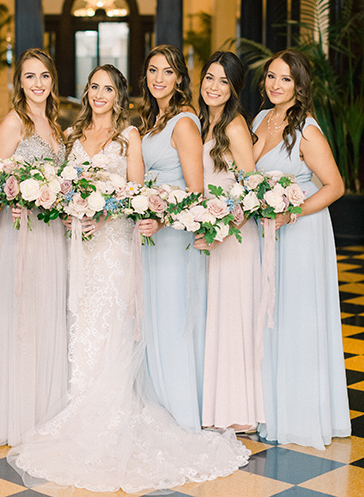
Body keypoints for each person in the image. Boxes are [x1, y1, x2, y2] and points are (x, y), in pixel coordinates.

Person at [8, 64, 250, 492]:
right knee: (81, 322)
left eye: (108, 88)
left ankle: (111, 410)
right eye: (93, 87)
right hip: (79, 251)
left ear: (120, 95)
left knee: (113, 325)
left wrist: (103, 213)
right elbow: (65, 192)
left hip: (115, 248)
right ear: (86, 92)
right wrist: (71, 217)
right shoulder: (70, 137)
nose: (100, 94)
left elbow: (135, 193)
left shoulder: (130, 136)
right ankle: (80, 400)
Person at [253, 48, 351, 449]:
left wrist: (290, 213)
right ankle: (269, 409)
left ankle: (301, 414)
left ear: (299, 86)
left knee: (296, 316)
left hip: (301, 234)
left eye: (285, 79)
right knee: (270, 316)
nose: (276, 85)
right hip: (266, 234)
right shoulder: (260, 119)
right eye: (272, 77)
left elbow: (335, 186)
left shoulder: (306, 128)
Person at [0, 48, 68, 447]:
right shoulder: (14, 123)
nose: (37, 84)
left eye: (44, 76)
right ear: (19, 83)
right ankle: (19, 415)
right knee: (23, 317)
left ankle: (46, 410)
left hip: (51, 235)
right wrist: (21, 194)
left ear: (53, 81)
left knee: (48, 315)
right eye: (29, 77)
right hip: (21, 233)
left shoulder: (54, 124)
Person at [195, 51, 264, 433]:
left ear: (234, 88)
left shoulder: (235, 126)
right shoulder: (204, 123)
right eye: (209, 78)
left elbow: (250, 189)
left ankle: (237, 412)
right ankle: (214, 406)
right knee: (214, 318)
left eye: (223, 81)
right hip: (208, 232)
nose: (213, 87)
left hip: (233, 236)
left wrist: (222, 227)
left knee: (232, 317)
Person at [138, 44, 206, 433]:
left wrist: (161, 221)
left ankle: (181, 413)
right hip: (151, 233)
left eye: (167, 71)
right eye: (152, 70)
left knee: (173, 318)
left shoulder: (183, 122)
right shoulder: (154, 119)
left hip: (172, 237)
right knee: (155, 318)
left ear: (180, 77)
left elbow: (195, 192)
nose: (158, 78)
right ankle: (160, 402)